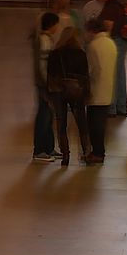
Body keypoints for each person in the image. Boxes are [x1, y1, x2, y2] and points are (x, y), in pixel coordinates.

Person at [47, 27, 90, 165]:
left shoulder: (55, 53)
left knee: (61, 124)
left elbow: (50, 74)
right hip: (77, 92)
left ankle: (65, 155)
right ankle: (86, 152)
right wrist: (87, 92)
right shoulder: (80, 54)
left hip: (59, 91)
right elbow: (85, 75)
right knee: (81, 124)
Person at [84, 19, 117, 165]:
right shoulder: (111, 43)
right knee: (101, 123)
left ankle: (97, 153)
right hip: (108, 88)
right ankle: (98, 151)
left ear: (91, 30)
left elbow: (90, 70)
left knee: (94, 124)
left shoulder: (93, 45)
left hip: (95, 89)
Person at [96, 0, 127, 117]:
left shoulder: (111, 6)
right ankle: (121, 106)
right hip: (122, 41)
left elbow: (108, 26)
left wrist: (104, 42)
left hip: (114, 41)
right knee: (119, 73)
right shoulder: (119, 4)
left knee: (112, 73)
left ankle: (111, 107)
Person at [33, 12, 61, 162]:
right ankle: (39, 150)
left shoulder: (46, 39)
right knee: (44, 116)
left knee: (49, 116)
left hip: (46, 83)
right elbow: (43, 65)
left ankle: (49, 148)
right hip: (45, 84)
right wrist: (47, 83)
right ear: (52, 25)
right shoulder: (44, 40)